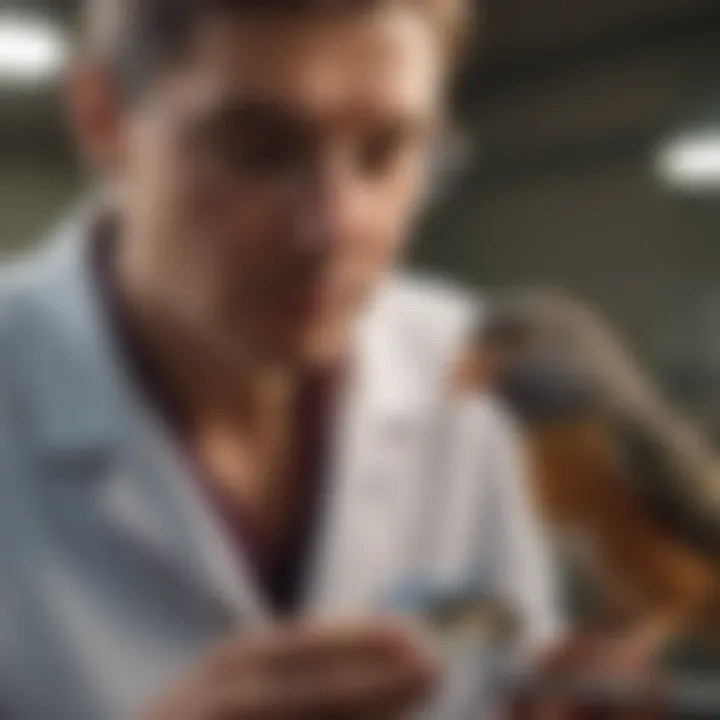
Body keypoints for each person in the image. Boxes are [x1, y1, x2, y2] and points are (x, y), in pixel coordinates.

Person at [0, 1, 570, 718]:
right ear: (105, 118)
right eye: (258, 151)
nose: (334, 228)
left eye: (386, 152)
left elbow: (501, 640)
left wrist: (558, 694)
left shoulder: (463, 367)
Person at [462, 288, 720, 660]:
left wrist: (637, 646)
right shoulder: (531, 445)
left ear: (574, 348)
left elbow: (697, 545)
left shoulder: (624, 432)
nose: (492, 359)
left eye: (513, 343)